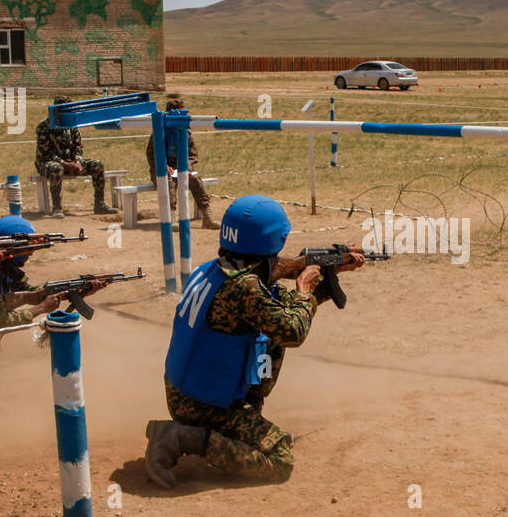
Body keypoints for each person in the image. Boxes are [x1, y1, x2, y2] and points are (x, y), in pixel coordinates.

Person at [144, 195, 364, 488]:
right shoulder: (244, 288)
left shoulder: (214, 269)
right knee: (280, 461)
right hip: (204, 405)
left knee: (276, 316)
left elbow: (271, 295)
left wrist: (321, 274)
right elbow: (291, 330)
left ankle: (235, 424)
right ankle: (182, 437)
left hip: (187, 391)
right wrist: (305, 288)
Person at [34, 96, 116, 218]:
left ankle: (100, 204)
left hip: (71, 162)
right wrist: (65, 163)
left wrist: (78, 161)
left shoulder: (71, 125)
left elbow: (78, 146)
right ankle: (57, 207)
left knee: (97, 165)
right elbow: (46, 153)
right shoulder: (44, 126)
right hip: (48, 164)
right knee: (56, 169)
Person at [146, 99, 220, 230]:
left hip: (181, 169)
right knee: (169, 182)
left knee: (195, 180)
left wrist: (187, 166)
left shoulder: (185, 132)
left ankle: (207, 217)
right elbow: (152, 155)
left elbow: (192, 154)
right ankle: (170, 219)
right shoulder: (159, 132)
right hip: (162, 171)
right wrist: (164, 166)